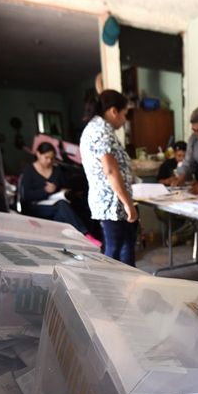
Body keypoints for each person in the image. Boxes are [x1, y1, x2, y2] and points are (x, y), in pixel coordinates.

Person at [79, 89, 138, 266]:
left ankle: (129, 285)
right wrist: (128, 204)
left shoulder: (97, 128)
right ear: (113, 111)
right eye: (124, 114)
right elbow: (111, 171)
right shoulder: (101, 132)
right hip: (112, 203)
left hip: (111, 201)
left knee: (125, 245)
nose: (125, 119)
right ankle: (110, 288)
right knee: (115, 250)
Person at [18, 142, 89, 234]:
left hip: (53, 203)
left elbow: (62, 186)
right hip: (36, 206)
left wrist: (62, 191)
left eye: (52, 158)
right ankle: (83, 234)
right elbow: (26, 196)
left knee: (60, 215)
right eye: (46, 158)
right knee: (61, 206)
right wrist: (45, 191)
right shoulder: (29, 170)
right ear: (38, 154)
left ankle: (75, 237)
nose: (49, 161)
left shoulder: (56, 170)